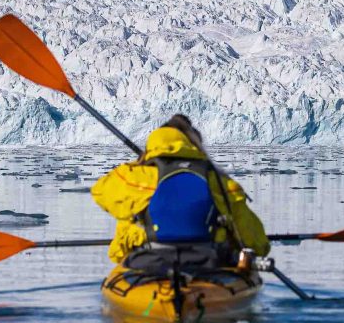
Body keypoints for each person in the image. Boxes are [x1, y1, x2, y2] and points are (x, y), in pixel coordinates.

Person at [91, 114, 269, 270]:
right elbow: (258, 243)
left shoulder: (136, 177)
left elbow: (99, 191)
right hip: (209, 264)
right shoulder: (220, 183)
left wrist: (139, 165)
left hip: (147, 263)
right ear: (194, 144)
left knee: (131, 220)